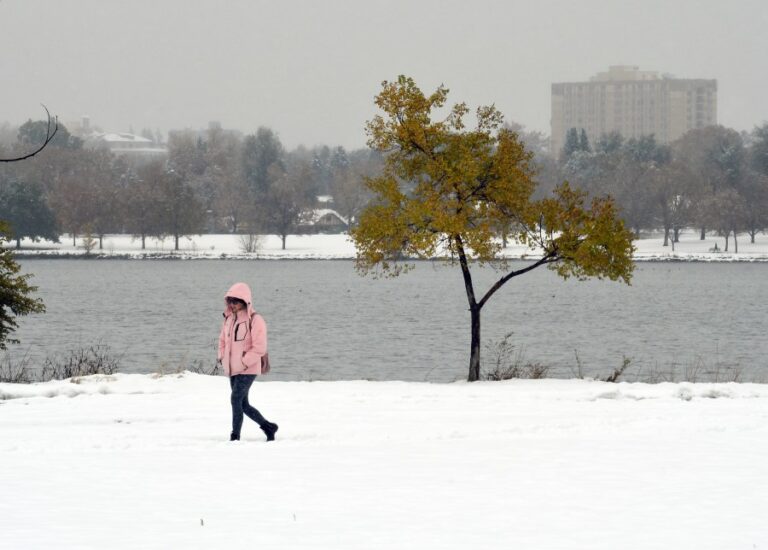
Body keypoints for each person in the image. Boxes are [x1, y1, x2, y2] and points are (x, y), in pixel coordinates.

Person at [217, 282, 278, 442]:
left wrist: (244, 362)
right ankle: (268, 427)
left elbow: (260, 347)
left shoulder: (256, 319)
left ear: (245, 301)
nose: (232, 304)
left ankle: (235, 436)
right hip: (232, 368)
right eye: (230, 301)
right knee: (243, 404)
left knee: (235, 399)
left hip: (248, 368)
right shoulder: (228, 319)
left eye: (235, 301)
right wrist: (222, 357)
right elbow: (222, 340)